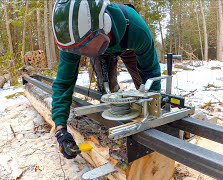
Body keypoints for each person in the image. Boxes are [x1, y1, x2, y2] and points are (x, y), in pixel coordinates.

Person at [51, 0, 161, 159]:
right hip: (100, 47)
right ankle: (116, 123)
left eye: (85, 47)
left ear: (105, 24)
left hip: (126, 41)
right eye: (79, 50)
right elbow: (63, 83)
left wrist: (154, 102)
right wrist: (60, 129)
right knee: (107, 89)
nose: (82, 53)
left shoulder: (137, 30)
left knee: (145, 88)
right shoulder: (73, 41)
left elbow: (151, 71)